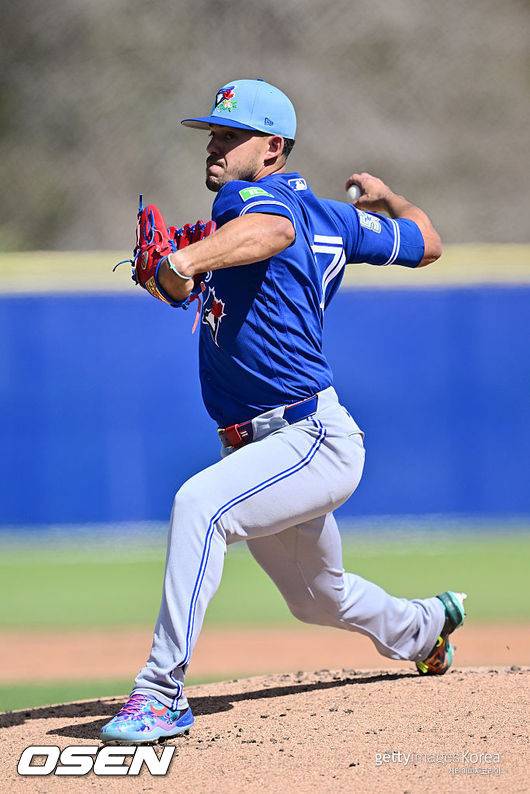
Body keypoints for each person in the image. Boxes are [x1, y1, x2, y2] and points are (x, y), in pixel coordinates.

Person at [100, 78, 466, 744]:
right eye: (212, 132)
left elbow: (270, 230)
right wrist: (393, 201)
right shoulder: (338, 217)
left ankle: (159, 693)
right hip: (277, 446)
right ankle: (424, 628)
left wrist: (184, 258)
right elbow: (428, 242)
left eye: (229, 135)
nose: (214, 145)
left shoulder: (251, 202)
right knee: (316, 597)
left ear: (272, 148)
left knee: (199, 506)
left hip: (306, 435)